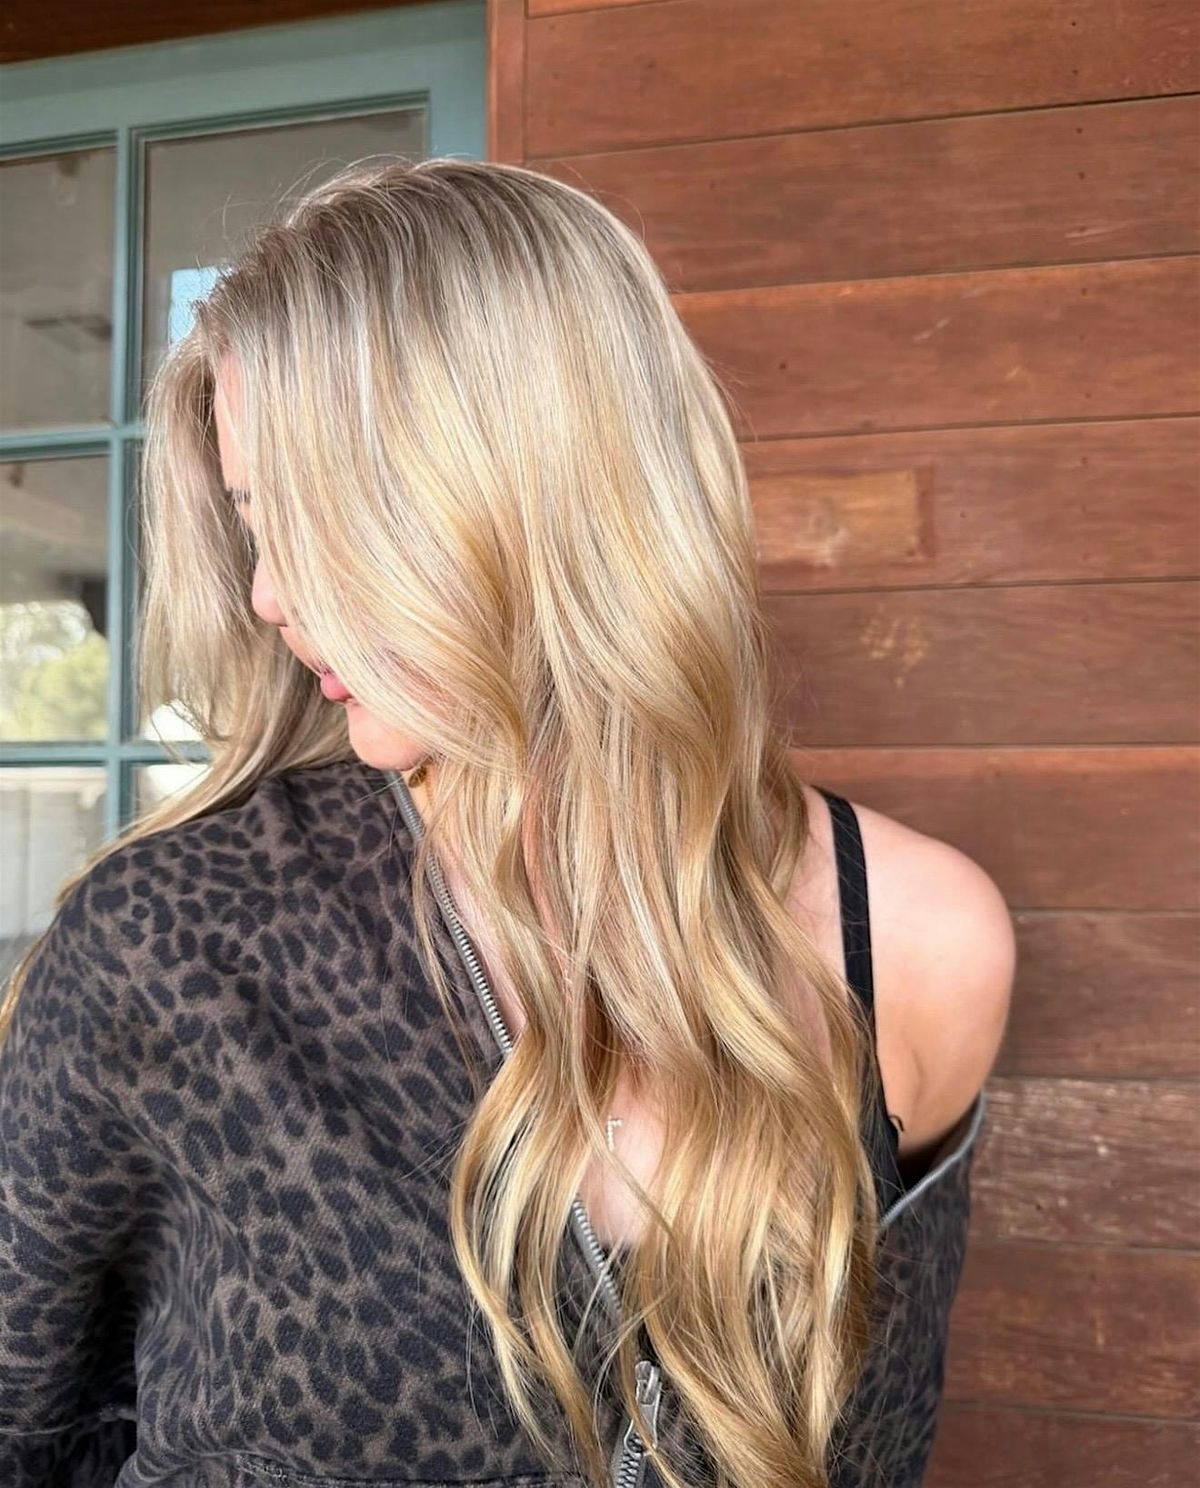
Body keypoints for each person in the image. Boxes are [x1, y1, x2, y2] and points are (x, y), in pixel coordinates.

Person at [0, 157, 1014, 1488]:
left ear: (533, 488)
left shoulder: (921, 945)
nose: (266, 594)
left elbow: (873, 1443)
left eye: (316, 517)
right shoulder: (166, 946)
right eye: (252, 522)